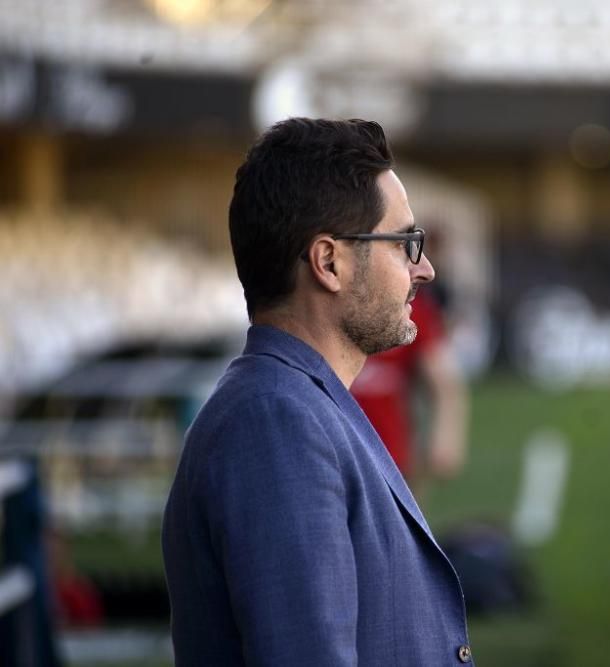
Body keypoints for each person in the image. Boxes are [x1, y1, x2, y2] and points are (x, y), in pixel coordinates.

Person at [161, 118, 473, 666]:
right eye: (404, 242)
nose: (424, 269)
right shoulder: (274, 423)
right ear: (329, 262)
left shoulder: (299, 406)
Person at [350, 287, 468, 490]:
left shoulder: (411, 311)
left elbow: (442, 382)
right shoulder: (323, 305)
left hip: (392, 458)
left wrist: (445, 436)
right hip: (333, 451)